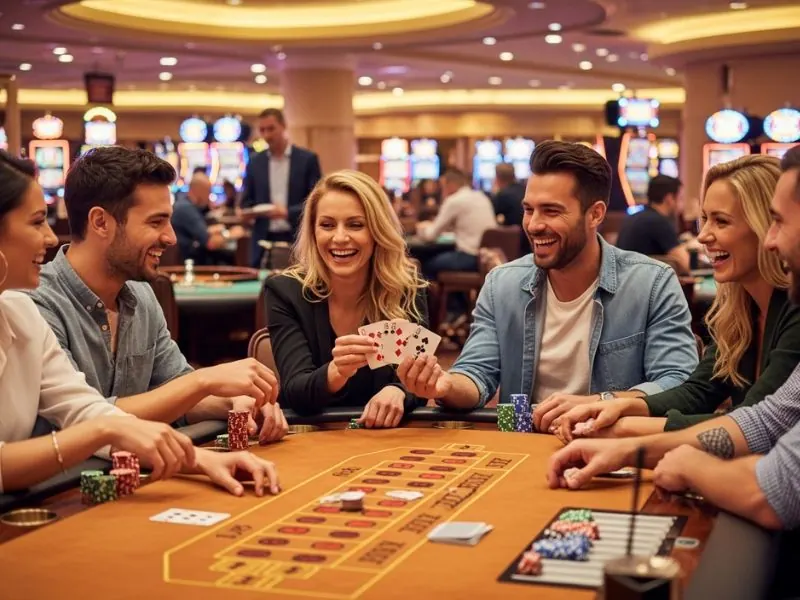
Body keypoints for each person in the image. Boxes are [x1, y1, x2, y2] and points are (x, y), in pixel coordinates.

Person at [546, 146, 800, 531]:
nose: (703, 236)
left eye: (721, 221)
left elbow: (756, 428)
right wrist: (616, 404)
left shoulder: (794, 309)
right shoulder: (738, 309)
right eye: (703, 219)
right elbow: (707, 395)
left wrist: (625, 435)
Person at [0, 150, 279, 496]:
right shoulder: (36, 301)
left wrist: (205, 454)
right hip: (53, 495)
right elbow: (89, 427)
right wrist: (205, 380)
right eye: (36, 221)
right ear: (101, 222)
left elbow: (88, 410)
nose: (52, 237)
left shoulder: (20, 311)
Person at [399, 141, 697, 415]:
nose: (535, 225)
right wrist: (446, 386)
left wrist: (598, 404)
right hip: (519, 439)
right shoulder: (501, 283)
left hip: (612, 447)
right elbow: (477, 374)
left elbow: (680, 382)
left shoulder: (652, 283)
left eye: (552, 211)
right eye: (529, 210)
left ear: (595, 214)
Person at [264, 170, 428, 427]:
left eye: (355, 224)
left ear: (377, 231)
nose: (339, 238)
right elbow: (296, 392)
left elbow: (417, 381)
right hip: (312, 439)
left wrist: (399, 392)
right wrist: (336, 371)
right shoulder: (286, 291)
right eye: (327, 225)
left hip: (387, 439)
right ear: (313, 231)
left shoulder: (405, 289)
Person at [242, 108, 322, 267]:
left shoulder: (307, 159)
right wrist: (246, 213)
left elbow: (317, 201)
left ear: (284, 126)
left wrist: (287, 212)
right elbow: (246, 201)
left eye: (271, 129)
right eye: (262, 130)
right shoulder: (255, 162)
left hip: (297, 237)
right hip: (264, 241)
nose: (267, 135)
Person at [416, 168, 496, 279]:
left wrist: (421, 227)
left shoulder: (454, 200)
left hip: (469, 257)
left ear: (450, 185)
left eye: (442, 187)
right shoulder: (481, 196)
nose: (442, 191)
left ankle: (435, 296)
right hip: (486, 257)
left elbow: (430, 235)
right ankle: (457, 296)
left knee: (423, 265)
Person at [616, 174, 691, 274]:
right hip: (639, 285)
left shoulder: (635, 217)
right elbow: (686, 265)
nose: (682, 205)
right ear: (669, 199)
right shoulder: (658, 222)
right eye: (680, 198)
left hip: (623, 282)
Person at [172, 172, 244, 265]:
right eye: (208, 191)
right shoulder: (185, 209)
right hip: (191, 263)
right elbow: (210, 243)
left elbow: (201, 233)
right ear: (199, 191)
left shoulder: (186, 205)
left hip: (193, 258)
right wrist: (230, 234)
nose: (209, 195)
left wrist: (213, 231)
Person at [492, 162, 527, 256]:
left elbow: (491, 218)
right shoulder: (525, 189)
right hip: (529, 241)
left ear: (497, 178)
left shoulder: (503, 195)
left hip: (515, 245)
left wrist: (495, 193)